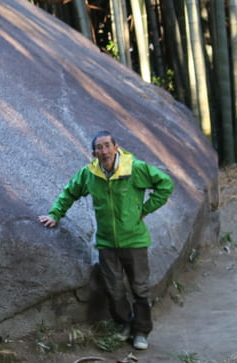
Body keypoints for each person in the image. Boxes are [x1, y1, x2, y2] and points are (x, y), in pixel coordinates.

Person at [37, 131, 174, 350]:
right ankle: (125, 324)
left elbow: (165, 184)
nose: (104, 151)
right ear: (94, 153)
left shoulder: (135, 168)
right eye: (99, 148)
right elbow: (70, 192)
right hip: (107, 243)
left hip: (135, 241)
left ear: (116, 147)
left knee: (140, 288)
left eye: (107, 146)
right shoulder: (89, 174)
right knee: (115, 289)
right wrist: (55, 214)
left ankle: (141, 332)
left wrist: (145, 209)